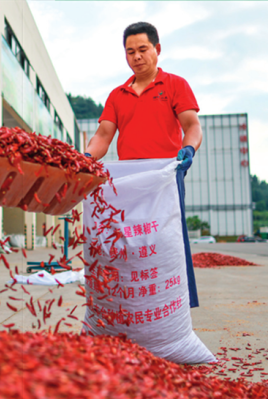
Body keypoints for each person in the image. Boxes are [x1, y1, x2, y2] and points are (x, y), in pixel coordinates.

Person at [85, 22, 203, 308]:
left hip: (165, 177)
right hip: (129, 182)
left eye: (142, 50)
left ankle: (174, 307)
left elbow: (192, 125)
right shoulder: (117, 94)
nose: (136, 57)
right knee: (132, 243)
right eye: (130, 52)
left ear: (157, 50)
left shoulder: (175, 84)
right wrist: (86, 159)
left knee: (168, 242)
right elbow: (103, 135)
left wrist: (188, 148)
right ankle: (134, 304)